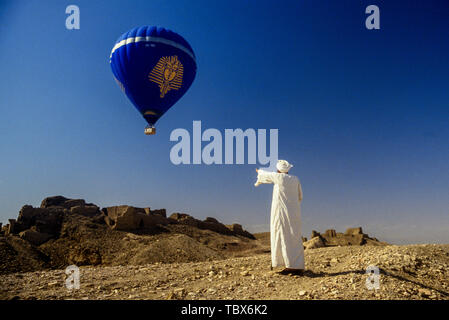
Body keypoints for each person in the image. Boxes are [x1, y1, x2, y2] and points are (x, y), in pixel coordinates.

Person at [255, 160, 304, 275]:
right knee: (294, 236)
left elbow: (264, 175)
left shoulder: (278, 177)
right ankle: (297, 265)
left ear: (278, 170)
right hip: (294, 212)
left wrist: (259, 171)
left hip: (281, 212)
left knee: (282, 235)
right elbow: (300, 196)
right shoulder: (295, 179)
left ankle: (290, 266)